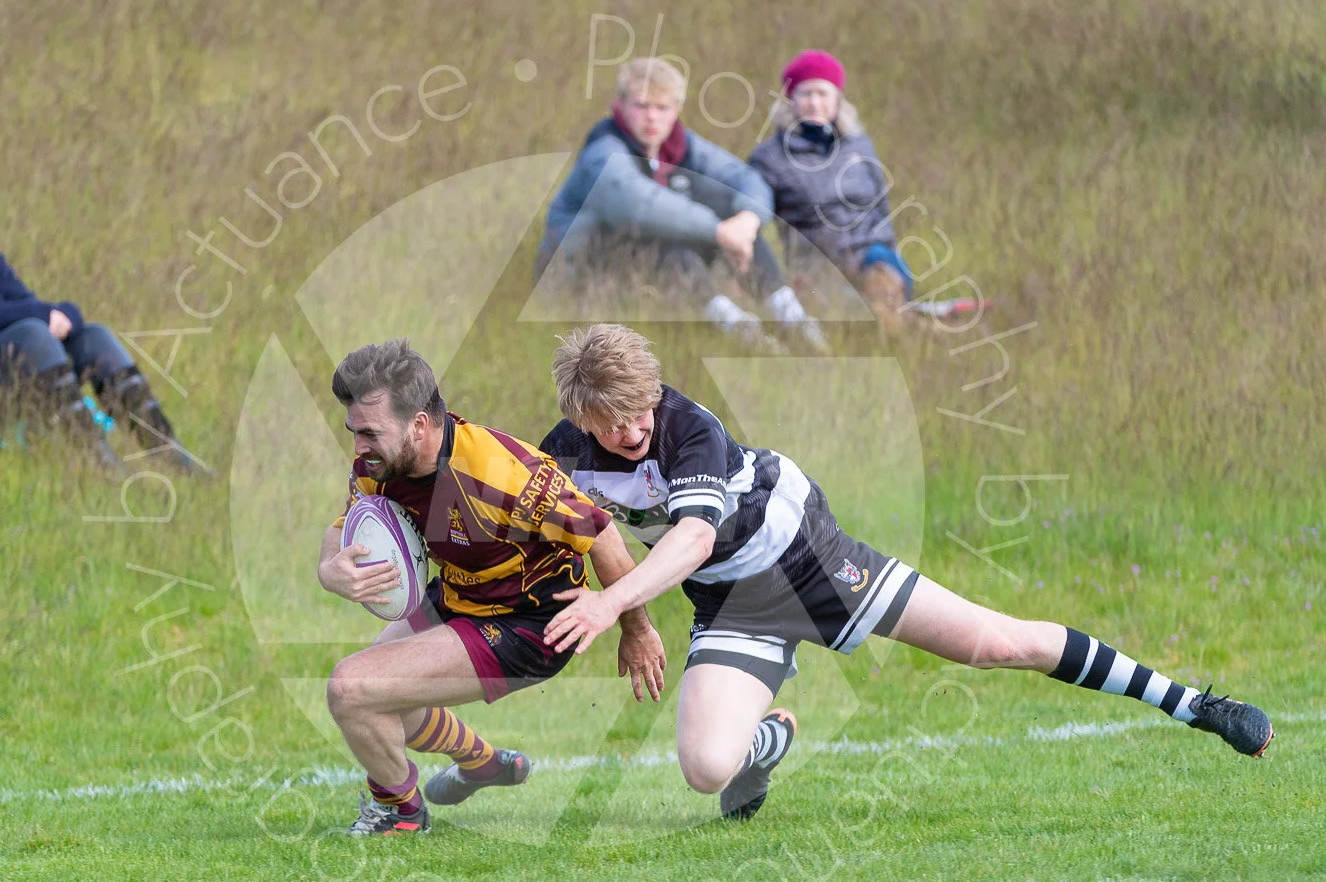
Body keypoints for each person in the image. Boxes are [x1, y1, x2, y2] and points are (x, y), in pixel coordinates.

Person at [538, 324, 1274, 821]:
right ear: (581, 418)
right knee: (705, 769)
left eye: (641, 411)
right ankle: (770, 739)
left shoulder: (688, 428)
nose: (634, 431)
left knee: (996, 644)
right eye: (614, 424)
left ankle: (1193, 705)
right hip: (731, 603)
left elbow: (694, 537)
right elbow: (573, 529)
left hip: (809, 561)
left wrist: (611, 609)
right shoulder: (565, 452)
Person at [316, 339, 666, 835]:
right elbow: (344, 522)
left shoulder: (500, 474)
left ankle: (400, 812)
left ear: (419, 424)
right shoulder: (381, 465)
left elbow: (601, 534)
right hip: (463, 593)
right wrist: (328, 569)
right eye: (354, 432)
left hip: (530, 623)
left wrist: (636, 629)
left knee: (352, 689)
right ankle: (481, 762)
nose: (358, 447)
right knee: (383, 699)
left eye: (369, 433)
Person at [0, 160, 202, 473]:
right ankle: (100, 460)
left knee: (92, 336)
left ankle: (166, 448)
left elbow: (28, 304)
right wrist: (40, 314)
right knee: (32, 334)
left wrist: (66, 314)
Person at [536, 58, 824, 351]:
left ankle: (790, 314)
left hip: (642, 262)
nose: (652, 118)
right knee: (662, 230)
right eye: (641, 105)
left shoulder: (680, 144)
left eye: (662, 108)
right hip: (578, 273)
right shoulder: (604, 150)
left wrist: (748, 221)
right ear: (620, 105)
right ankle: (733, 325)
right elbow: (637, 205)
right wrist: (719, 231)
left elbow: (745, 178)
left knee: (725, 202)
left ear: (676, 110)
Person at [747, 51, 915, 328]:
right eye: (805, 94)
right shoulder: (769, 158)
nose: (815, 103)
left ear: (838, 98)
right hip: (817, 262)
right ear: (791, 101)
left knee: (883, 276)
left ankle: (891, 321)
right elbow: (756, 219)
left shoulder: (859, 146)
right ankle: (896, 325)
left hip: (872, 254)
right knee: (845, 311)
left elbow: (881, 207)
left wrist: (889, 249)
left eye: (823, 93)